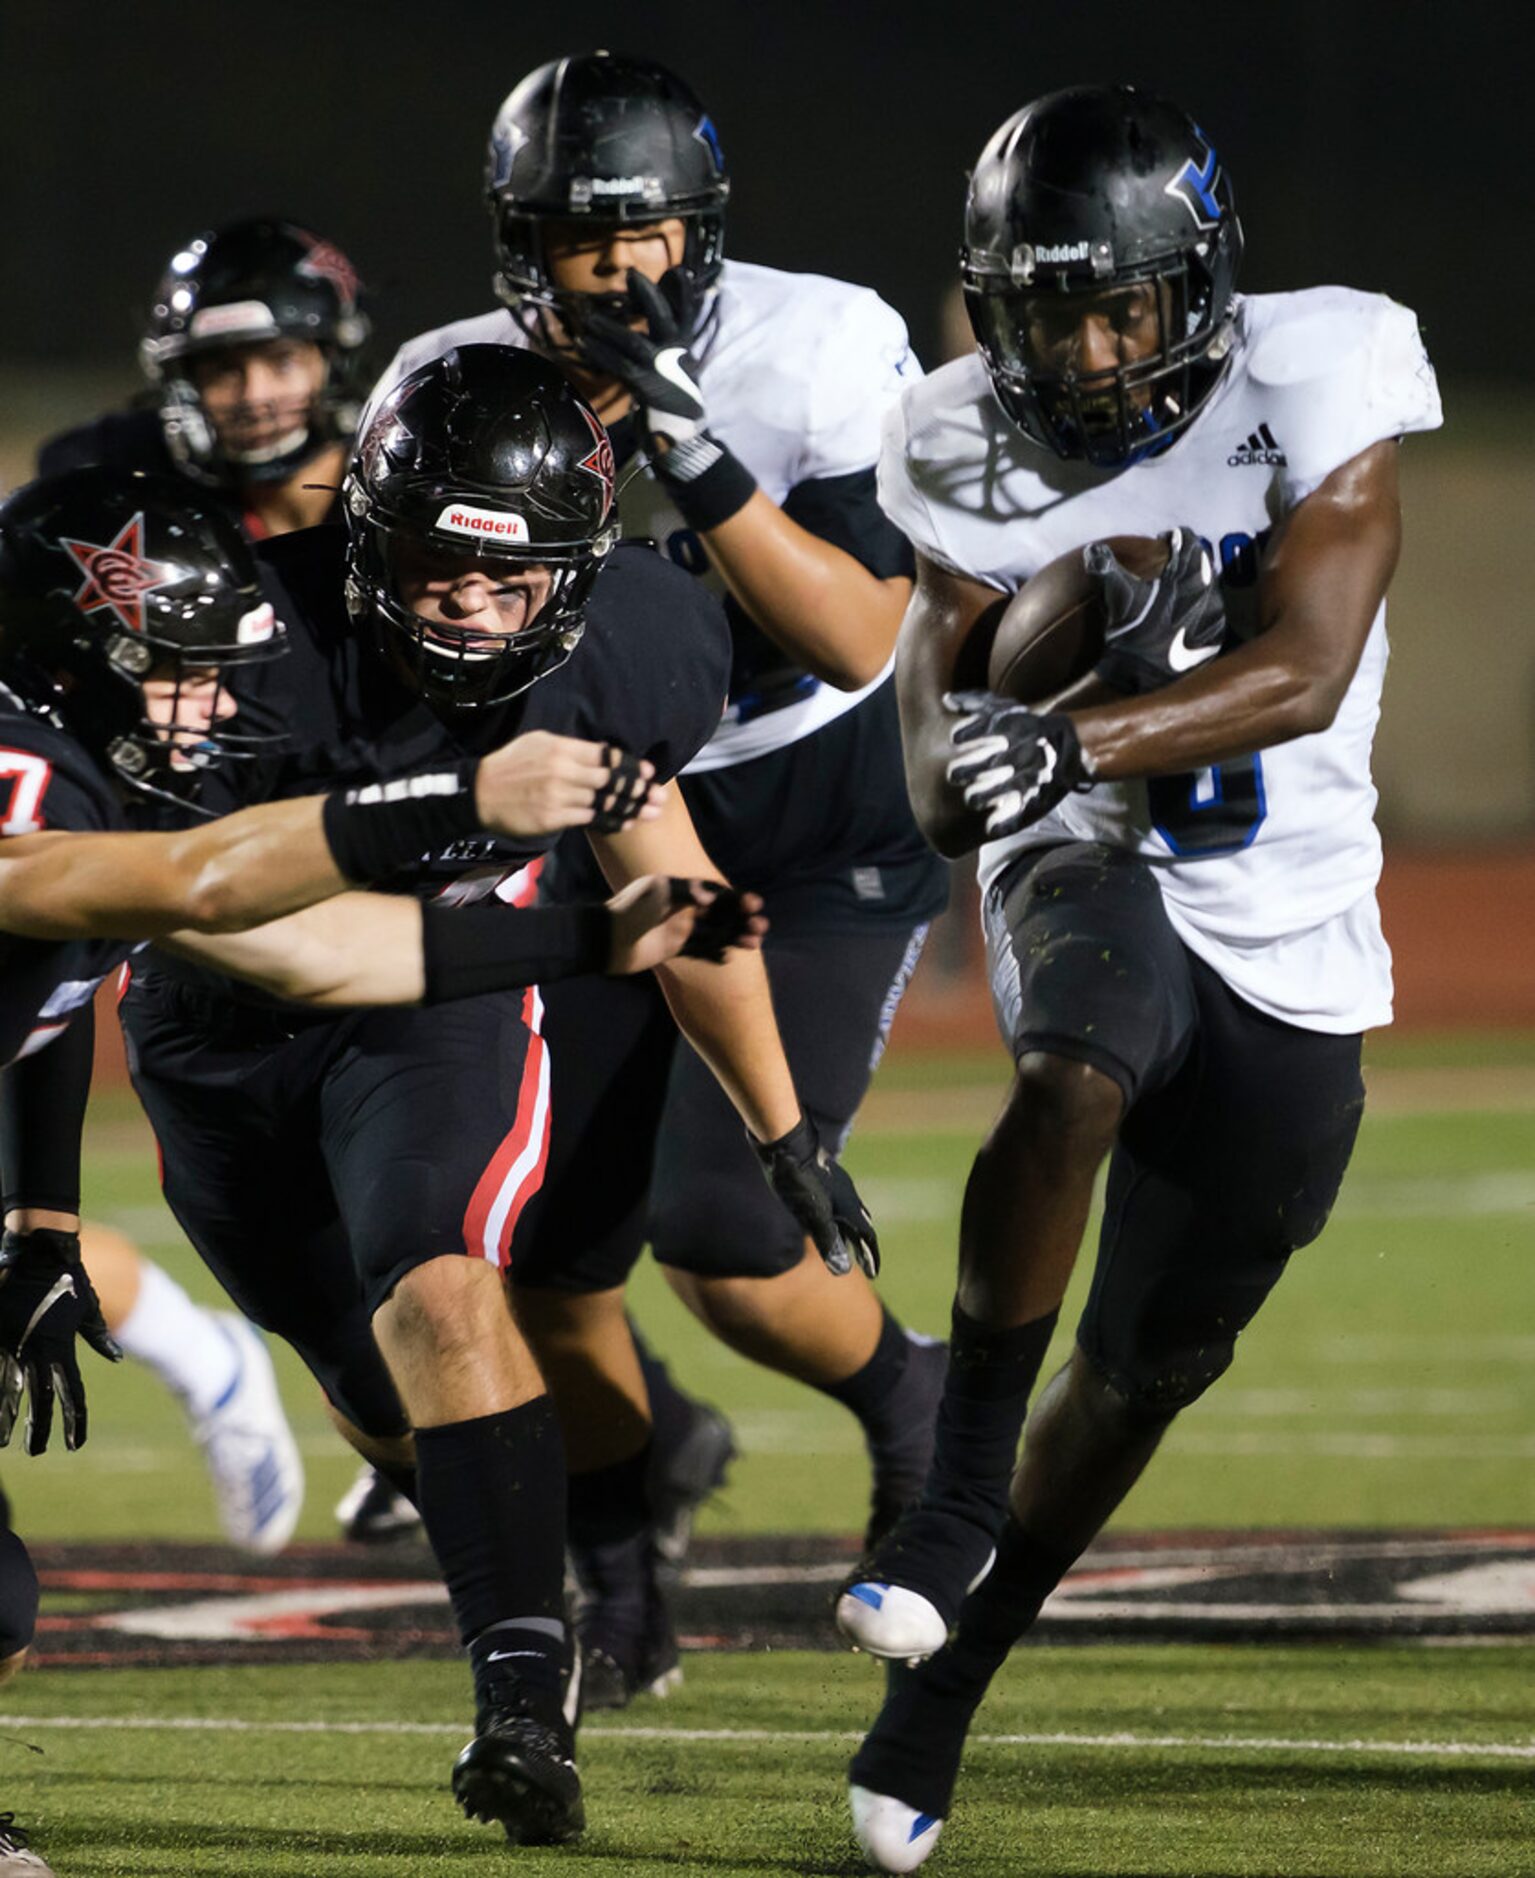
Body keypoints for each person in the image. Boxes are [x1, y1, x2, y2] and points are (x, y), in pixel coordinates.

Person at [110, 342, 875, 1845]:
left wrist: (779, 1121)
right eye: (436, 570)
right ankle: (563, 1530)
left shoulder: (638, 643)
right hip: (222, 1033)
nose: (465, 610)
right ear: (367, 535)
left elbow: (680, 887)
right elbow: (277, 937)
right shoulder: (248, 639)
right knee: (384, 1403)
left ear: (576, 571)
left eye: (509, 581)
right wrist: (510, 865)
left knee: (446, 1296)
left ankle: (527, 1697)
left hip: (436, 1017)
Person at [838, 84, 1443, 1872]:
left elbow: (1312, 665)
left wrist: (1082, 716)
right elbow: (943, 780)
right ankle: (946, 1496)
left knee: (1147, 1366)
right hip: (1095, 860)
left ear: (1207, 291)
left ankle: (948, 1680)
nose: (1092, 354)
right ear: (990, 307)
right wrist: (1005, 749)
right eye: (1048, 311)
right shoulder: (947, 440)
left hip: (1298, 917)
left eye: (1125, 306)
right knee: (1073, 1061)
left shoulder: (1323, 369)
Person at [376, 49, 950, 1708]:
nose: (615, 273)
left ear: (704, 235)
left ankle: (907, 1400)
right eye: (575, 240)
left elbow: (858, 626)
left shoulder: (820, 343)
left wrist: (695, 456)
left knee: (728, 1229)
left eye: (642, 236)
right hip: (603, 803)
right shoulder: (452, 379)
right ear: (518, 246)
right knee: (549, 1249)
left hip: (818, 796)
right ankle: (624, 1555)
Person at [40, 218, 369, 540]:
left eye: (282, 362)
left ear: (335, 361)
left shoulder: (395, 480)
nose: (253, 396)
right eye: (223, 371)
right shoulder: (133, 467)